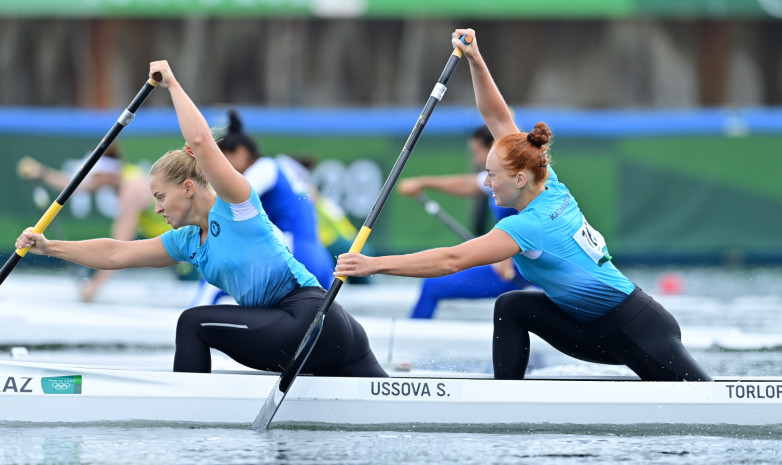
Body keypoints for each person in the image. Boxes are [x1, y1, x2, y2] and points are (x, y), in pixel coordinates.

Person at [335, 29, 711, 382]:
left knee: (703, 402)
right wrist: (476, 59)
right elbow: (498, 118)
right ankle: (507, 397)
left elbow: (451, 260)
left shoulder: (528, 226)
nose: (485, 182)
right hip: (593, 329)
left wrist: (372, 265)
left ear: (518, 179)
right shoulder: (549, 182)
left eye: (491, 175)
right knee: (513, 306)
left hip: (638, 328)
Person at [16, 60, 387, 378]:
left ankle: (187, 424)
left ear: (189, 187)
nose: (157, 208)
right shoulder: (187, 241)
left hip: (312, 318)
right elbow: (115, 253)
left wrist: (172, 84)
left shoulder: (237, 205)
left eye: (161, 197)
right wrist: (49, 247)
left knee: (193, 323)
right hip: (315, 332)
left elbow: (203, 141)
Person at [397, 125, 534, 318]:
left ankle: (408, 341)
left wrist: (506, 258)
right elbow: (469, 184)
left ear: (493, 149)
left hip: (525, 271)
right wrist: (424, 183)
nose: (475, 159)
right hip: (520, 265)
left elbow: (529, 222)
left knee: (432, 285)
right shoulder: (502, 176)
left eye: (477, 153)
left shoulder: (516, 182)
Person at [17, 145, 174, 302]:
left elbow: (119, 249)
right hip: (165, 244)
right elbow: (75, 186)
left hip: (177, 247)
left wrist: (93, 289)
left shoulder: (132, 191)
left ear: (107, 174)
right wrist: (41, 172)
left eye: (95, 176)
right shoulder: (117, 174)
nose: (92, 181)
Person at [217, 110, 335, 290]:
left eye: (224, 160)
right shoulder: (281, 169)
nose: (221, 169)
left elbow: (231, 202)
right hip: (319, 258)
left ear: (240, 152)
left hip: (295, 257)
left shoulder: (264, 167)